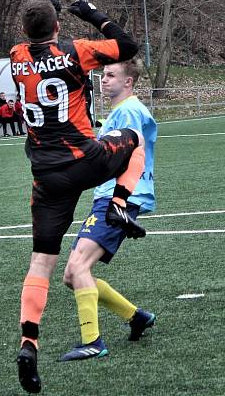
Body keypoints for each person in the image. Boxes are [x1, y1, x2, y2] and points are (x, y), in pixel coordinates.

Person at [10, 0, 145, 393]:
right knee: (134, 142)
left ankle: (29, 342)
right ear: (57, 29)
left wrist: (46, 11)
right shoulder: (75, 51)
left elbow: (36, 40)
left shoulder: (16, 55)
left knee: (40, 263)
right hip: (85, 159)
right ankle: (119, 203)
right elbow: (127, 47)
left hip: (46, 177)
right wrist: (90, 14)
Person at [61, 57, 157, 362]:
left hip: (117, 197)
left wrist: (117, 198)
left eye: (111, 75)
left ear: (128, 81)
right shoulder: (121, 111)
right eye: (103, 75)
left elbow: (127, 153)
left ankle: (92, 341)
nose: (104, 79)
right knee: (71, 275)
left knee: (78, 269)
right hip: (111, 196)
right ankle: (136, 316)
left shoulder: (128, 110)